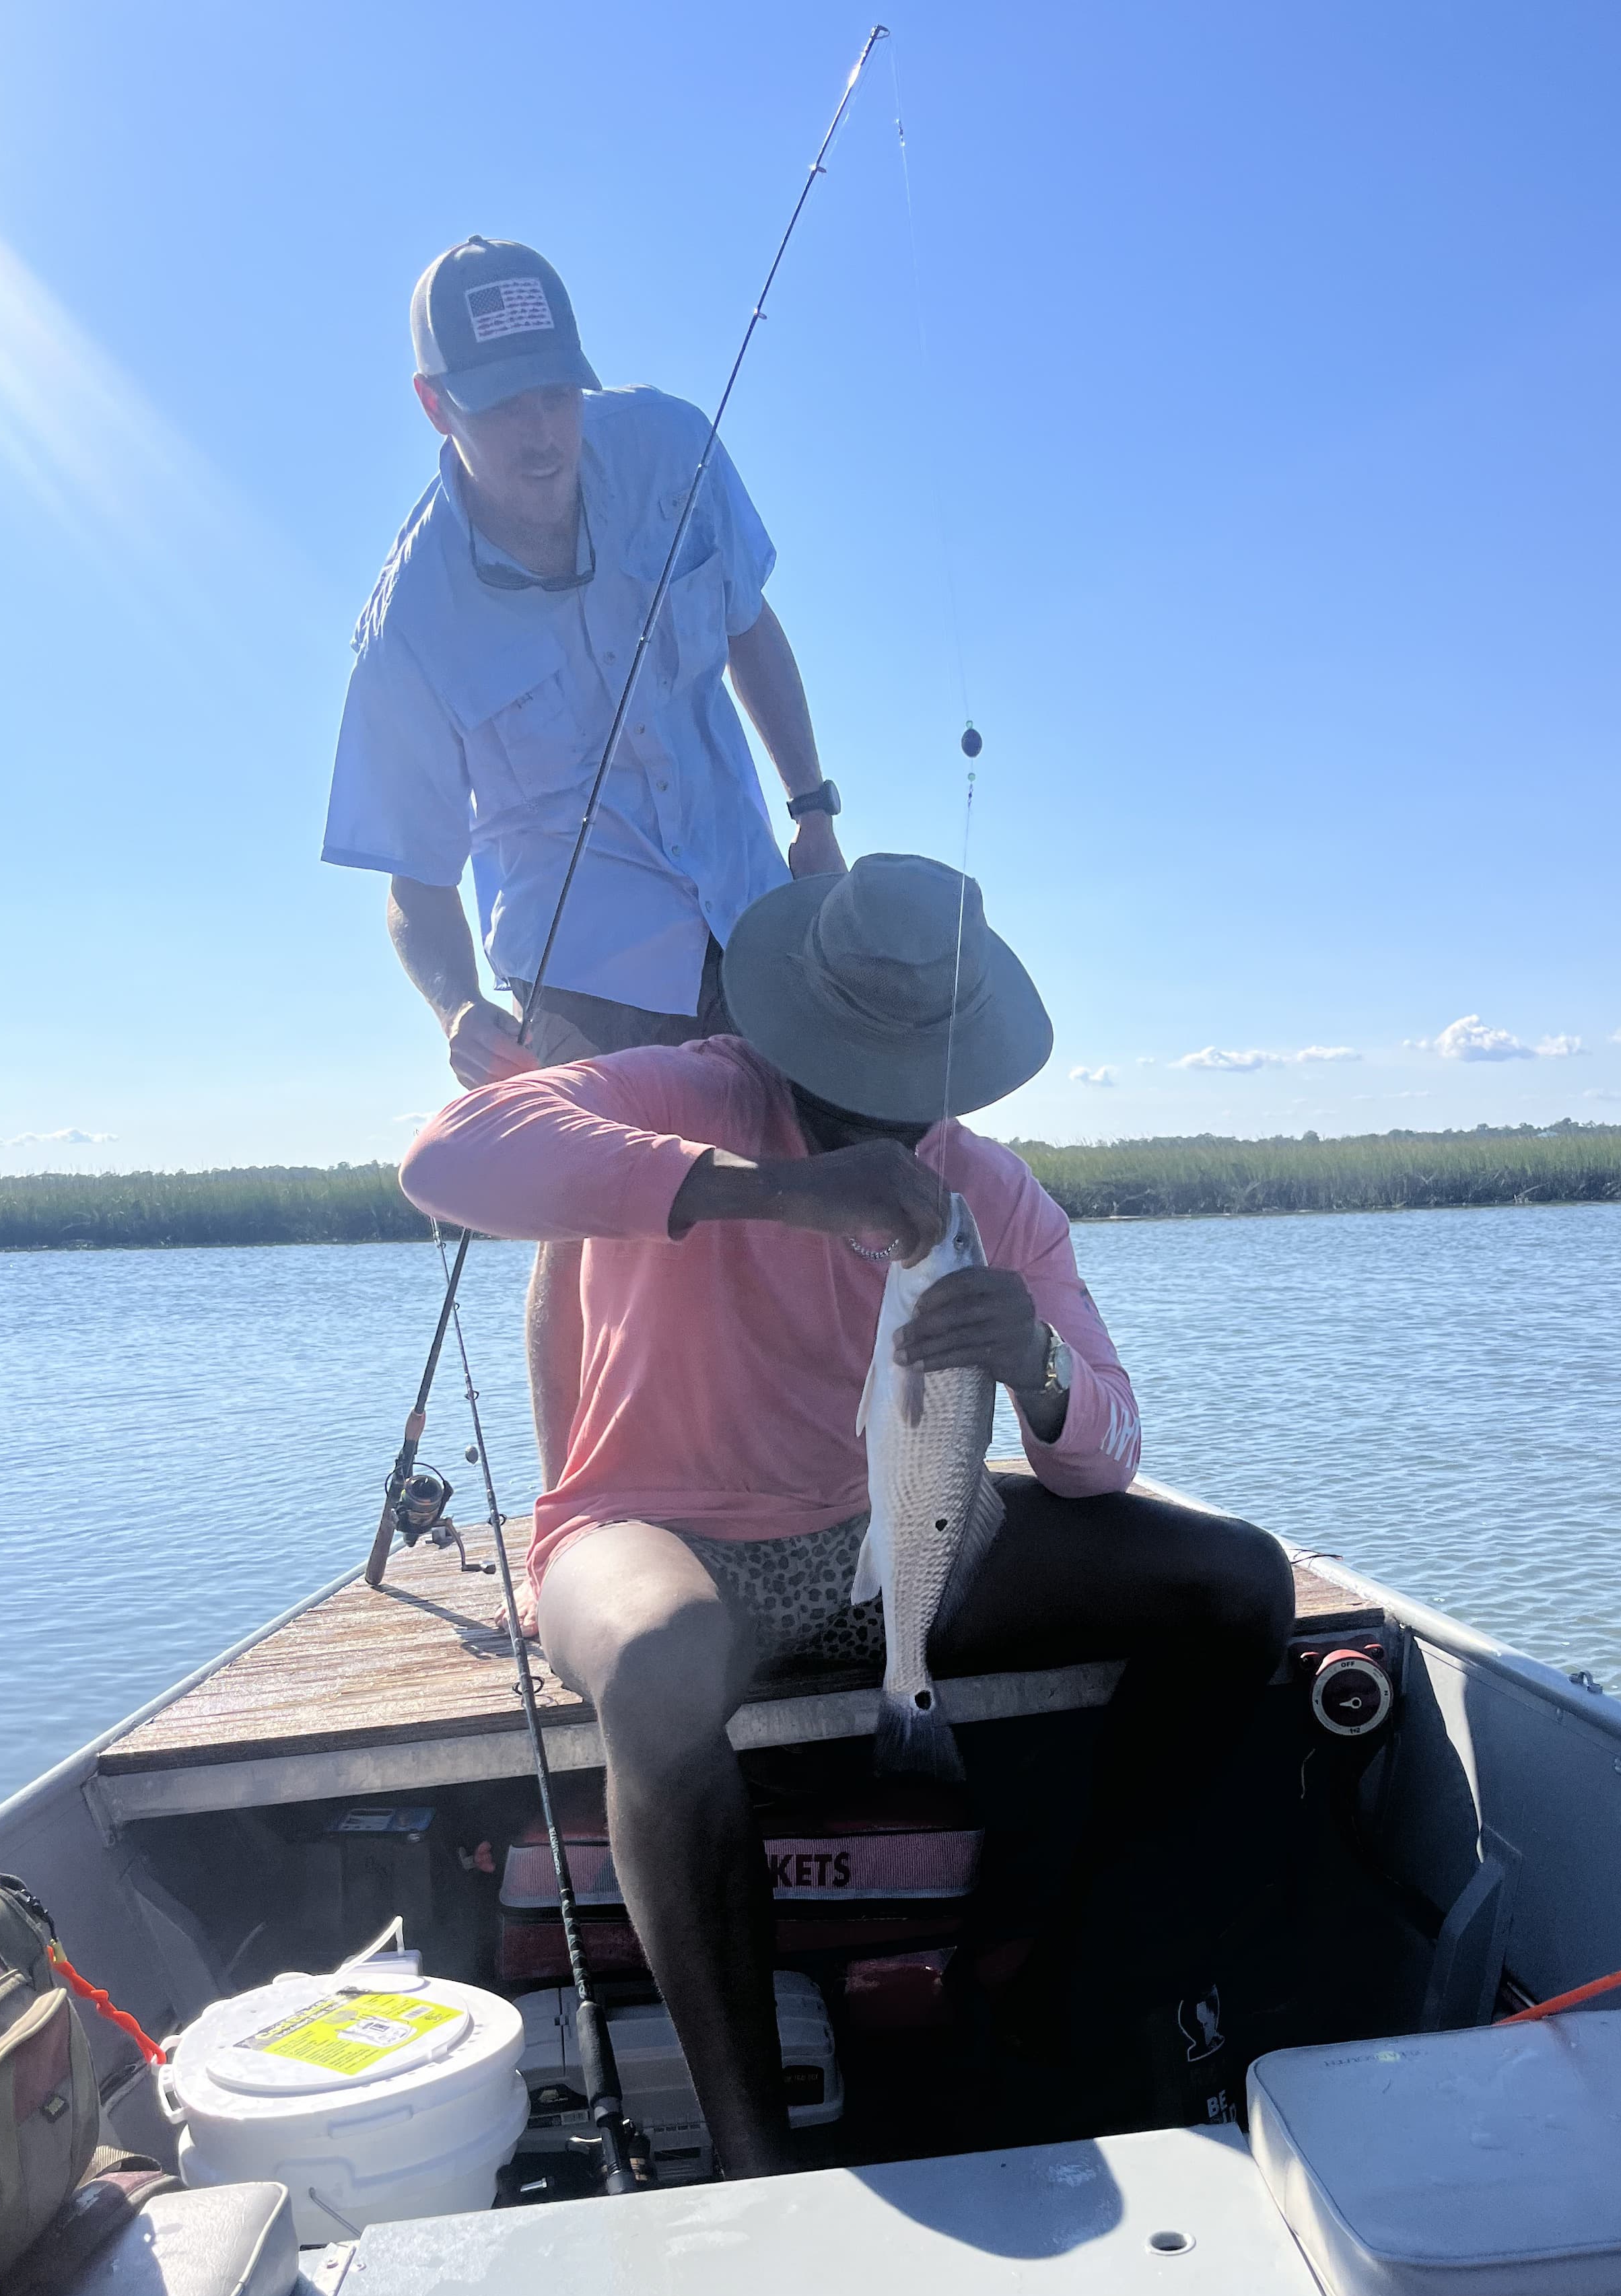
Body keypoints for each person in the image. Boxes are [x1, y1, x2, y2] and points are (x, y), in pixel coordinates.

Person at [401, 854, 1294, 2179]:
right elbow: (446, 1160)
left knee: (1239, 1587)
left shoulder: (989, 1192)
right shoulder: (690, 1090)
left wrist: (1035, 1367)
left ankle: (1070, 1996)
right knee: (655, 1669)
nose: (856, 1106)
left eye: (893, 1080)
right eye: (832, 1068)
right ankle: (755, 2144)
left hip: (890, 1543)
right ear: (783, 1023)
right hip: (648, 1532)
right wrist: (770, 1190)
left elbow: (1104, 1452)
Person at [323, 236, 846, 1471]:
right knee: (599, 1219)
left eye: (555, 388)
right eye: (501, 402)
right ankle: (584, 1501)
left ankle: (818, 1460)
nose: (540, 429)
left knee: (811, 1171)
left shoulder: (669, 447)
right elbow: (413, 881)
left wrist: (813, 809)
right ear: (435, 405)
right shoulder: (408, 626)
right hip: (582, 962)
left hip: (751, 901)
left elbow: (752, 630)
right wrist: (455, 1007)